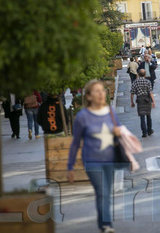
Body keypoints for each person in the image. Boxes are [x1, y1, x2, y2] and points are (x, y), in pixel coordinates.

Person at [67, 80, 121, 233]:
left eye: (102, 90)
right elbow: (75, 143)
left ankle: (103, 222)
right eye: (96, 91)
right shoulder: (82, 116)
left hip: (110, 159)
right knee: (102, 191)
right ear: (89, 97)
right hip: (92, 160)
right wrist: (70, 166)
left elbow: (119, 134)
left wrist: (118, 133)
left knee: (106, 193)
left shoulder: (111, 112)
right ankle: (106, 224)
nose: (101, 93)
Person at [131, 69, 155, 137]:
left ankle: (144, 133)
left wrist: (132, 101)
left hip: (140, 100)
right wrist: (153, 101)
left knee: (142, 117)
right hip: (147, 100)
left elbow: (132, 92)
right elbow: (150, 92)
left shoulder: (135, 82)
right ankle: (149, 131)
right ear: (145, 75)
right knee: (148, 115)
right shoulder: (148, 81)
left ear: (138, 74)